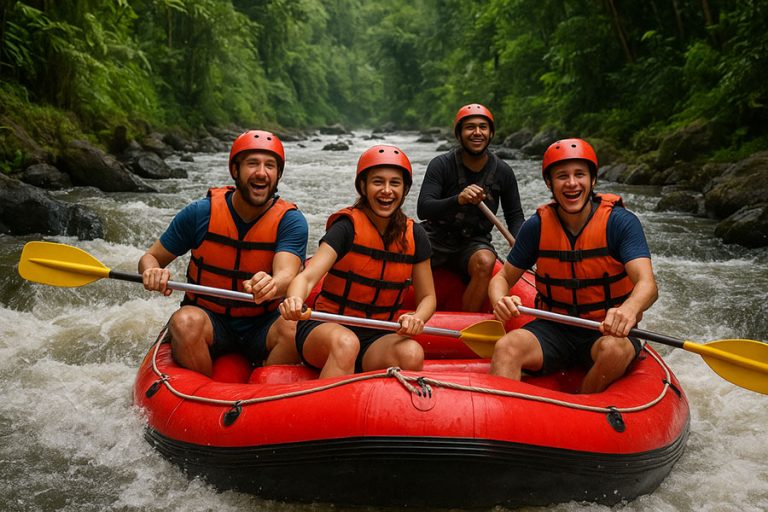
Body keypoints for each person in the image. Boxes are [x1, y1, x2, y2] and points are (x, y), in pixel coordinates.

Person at [489, 138, 658, 393]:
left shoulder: (620, 223)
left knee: (614, 350)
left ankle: (584, 405)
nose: (571, 183)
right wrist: (499, 299)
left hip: (604, 328)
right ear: (549, 183)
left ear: (593, 180)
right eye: (561, 176)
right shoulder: (536, 226)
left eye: (580, 174)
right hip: (554, 327)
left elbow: (647, 284)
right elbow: (501, 279)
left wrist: (630, 309)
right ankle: (504, 424)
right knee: (506, 347)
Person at [139, 130, 308, 376]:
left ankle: (262, 391)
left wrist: (271, 283)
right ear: (235, 170)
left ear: (278, 174)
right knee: (184, 321)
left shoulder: (290, 221)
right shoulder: (200, 213)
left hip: (262, 323)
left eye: (270, 166)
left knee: (295, 328)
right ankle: (201, 394)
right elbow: (150, 257)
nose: (262, 172)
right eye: (252, 164)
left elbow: (286, 274)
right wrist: (151, 271)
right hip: (209, 319)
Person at [280, 145, 436, 379]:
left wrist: (417, 318)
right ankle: (325, 412)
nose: (386, 191)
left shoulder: (415, 235)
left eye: (395, 183)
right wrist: (294, 299)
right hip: (325, 328)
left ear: (404, 189)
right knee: (346, 343)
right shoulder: (346, 227)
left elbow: (428, 297)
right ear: (363, 186)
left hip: (377, 336)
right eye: (377, 182)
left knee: (411, 353)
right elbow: (307, 277)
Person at [417, 103, 524, 312]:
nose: (477, 133)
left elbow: (515, 216)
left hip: (473, 242)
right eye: (470, 127)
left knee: (486, 260)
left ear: (491, 133)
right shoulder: (441, 164)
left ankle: (467, 324)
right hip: (435, 237)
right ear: (459, 134)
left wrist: (521, 246)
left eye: (483, 127)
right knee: (405, 251)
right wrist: (458, 199)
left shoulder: (503, 172)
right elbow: (424, 208)